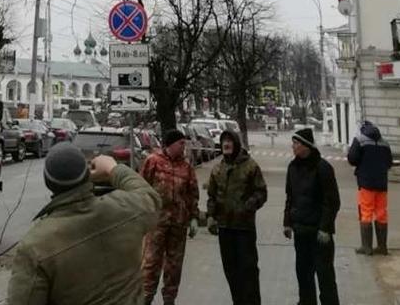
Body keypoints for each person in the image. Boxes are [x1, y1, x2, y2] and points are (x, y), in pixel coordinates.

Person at [6, 144, 160, 305]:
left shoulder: (36, 245)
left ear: (48, 182)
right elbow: (150, 197)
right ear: (88, 175)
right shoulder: (125, 209)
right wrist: (112, 169)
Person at [206, 129, 268, 305]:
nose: (226, 144)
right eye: (223, 141)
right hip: (225, 228)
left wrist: (248, 206)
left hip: (244, 228)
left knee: (248, 271)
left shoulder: (250, 166)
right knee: (231, 271)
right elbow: (212, 195)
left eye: (229, 141)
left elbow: (261, 192)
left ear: (236, 144)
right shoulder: (217, 168)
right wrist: (211, 216)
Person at [140, 129, 200, 305]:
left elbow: (192, 194)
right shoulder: (153, 161)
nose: (184, 146)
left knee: (174, 267)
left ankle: (169, 300)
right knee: (151, 265)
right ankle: (145, 298)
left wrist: (194, 217)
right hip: (156, 224)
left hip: (178, 225)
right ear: (171, 144)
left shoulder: (186, 167)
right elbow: (141, 186)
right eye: (181, 143)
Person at [283, 128, 342, 305]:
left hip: (319, 235)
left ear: (306, 146)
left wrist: (325, 227)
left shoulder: (323, 168)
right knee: (303, 274)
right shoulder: (292, 167)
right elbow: (290, 197)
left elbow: (332, 201)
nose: (293, 147)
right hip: (301, 231)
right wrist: (287, 222)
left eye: (296, 143)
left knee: (325, 276)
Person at [347, 119, 394, 256]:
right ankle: (382, 247)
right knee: (381, 213)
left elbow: (352, 158)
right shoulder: (384, 142)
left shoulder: (360, 140)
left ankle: (366, 247)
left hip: (366, 183)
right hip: (382, 184)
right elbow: (389, 163)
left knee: (366, 211)